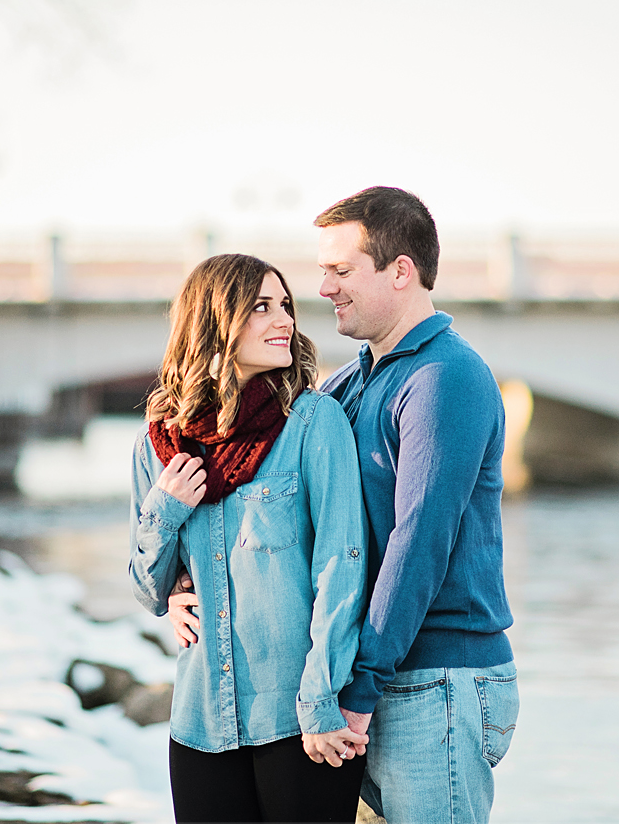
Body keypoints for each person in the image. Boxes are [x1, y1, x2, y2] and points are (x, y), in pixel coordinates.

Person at [128, 253, 371, 824]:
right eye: (261, 307)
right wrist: (166, 511)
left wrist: (320, 699)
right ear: (214, 322)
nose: (283, 319)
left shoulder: (313, 423)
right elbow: (145, 588)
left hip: (298, 718)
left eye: (284, 305)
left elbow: (341, 567)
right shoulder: (156, 447)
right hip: (199, 725)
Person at [312, 186, 518, 823]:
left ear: (401, 271)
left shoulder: (443, 377)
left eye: (341, 271)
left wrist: (360, 683)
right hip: (378, 680)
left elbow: (419, 539)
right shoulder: (355, 380)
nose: (324, 288)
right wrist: (180, 576)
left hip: (435, 685)